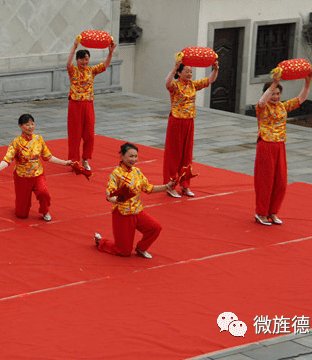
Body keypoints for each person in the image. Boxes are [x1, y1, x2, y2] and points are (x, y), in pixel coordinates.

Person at [94, 142, 175, 259]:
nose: (134, 159)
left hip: (137, 211)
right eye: (130, 156)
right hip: (123, 214)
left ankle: (141, 248)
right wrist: (119, 199)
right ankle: (101, 242)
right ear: (122, 156)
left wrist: (167, 186)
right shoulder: (116, 174)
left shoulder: (136, 171)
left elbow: (148, 188)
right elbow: (109, 195)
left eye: (135, 156)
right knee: (123, 251)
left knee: (155, 227)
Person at [253, 70, 312, 225]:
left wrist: (307, 82)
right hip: (266, 145)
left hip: (280, 146)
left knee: (280, 181)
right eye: (273, 93)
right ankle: (261, 213)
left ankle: (273, 212)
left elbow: (301, 99)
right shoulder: (262, 108)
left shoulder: (282, 107)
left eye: (278, 93)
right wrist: (274, 83)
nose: (276, 96)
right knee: (265, 181)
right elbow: (261, 101)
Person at [0, 113, 76, 221]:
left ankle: (45, 211)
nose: (30, 127)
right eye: (27, 125)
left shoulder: (39, 139)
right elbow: (7, 159)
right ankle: (20, 206)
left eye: (32, 124)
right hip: (22, 177)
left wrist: (65, 162)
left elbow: (48, 156)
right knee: (21, 214)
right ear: (20, 126)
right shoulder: (16, 142)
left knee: (43, 192)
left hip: (37, 174)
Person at [163, 59, 219, 198]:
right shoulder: (175, 86)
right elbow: (167, 83)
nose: (189, 73)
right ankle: (170, 185)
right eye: (186, 71)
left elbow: (209, 80)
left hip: (189, 122)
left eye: (190, 71)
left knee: (187, 155)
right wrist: (174, 68)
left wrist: (216, 69)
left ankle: (185, 185)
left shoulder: (193, 85)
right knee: (174, 155)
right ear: (179, 73)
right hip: (176, 121)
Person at [66, 38, 116, 171]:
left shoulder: (91, 71)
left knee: (89, 133)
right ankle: (74, 161)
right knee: (75, 134)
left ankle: (85, 159)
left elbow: (104, 65)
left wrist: (110, 53)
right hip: (75, 104)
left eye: (86, 59)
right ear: (77, 60)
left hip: (88, 104)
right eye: (82, 59)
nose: (84, 61)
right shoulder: (73, 71)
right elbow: (68, 63)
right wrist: (74, 47)